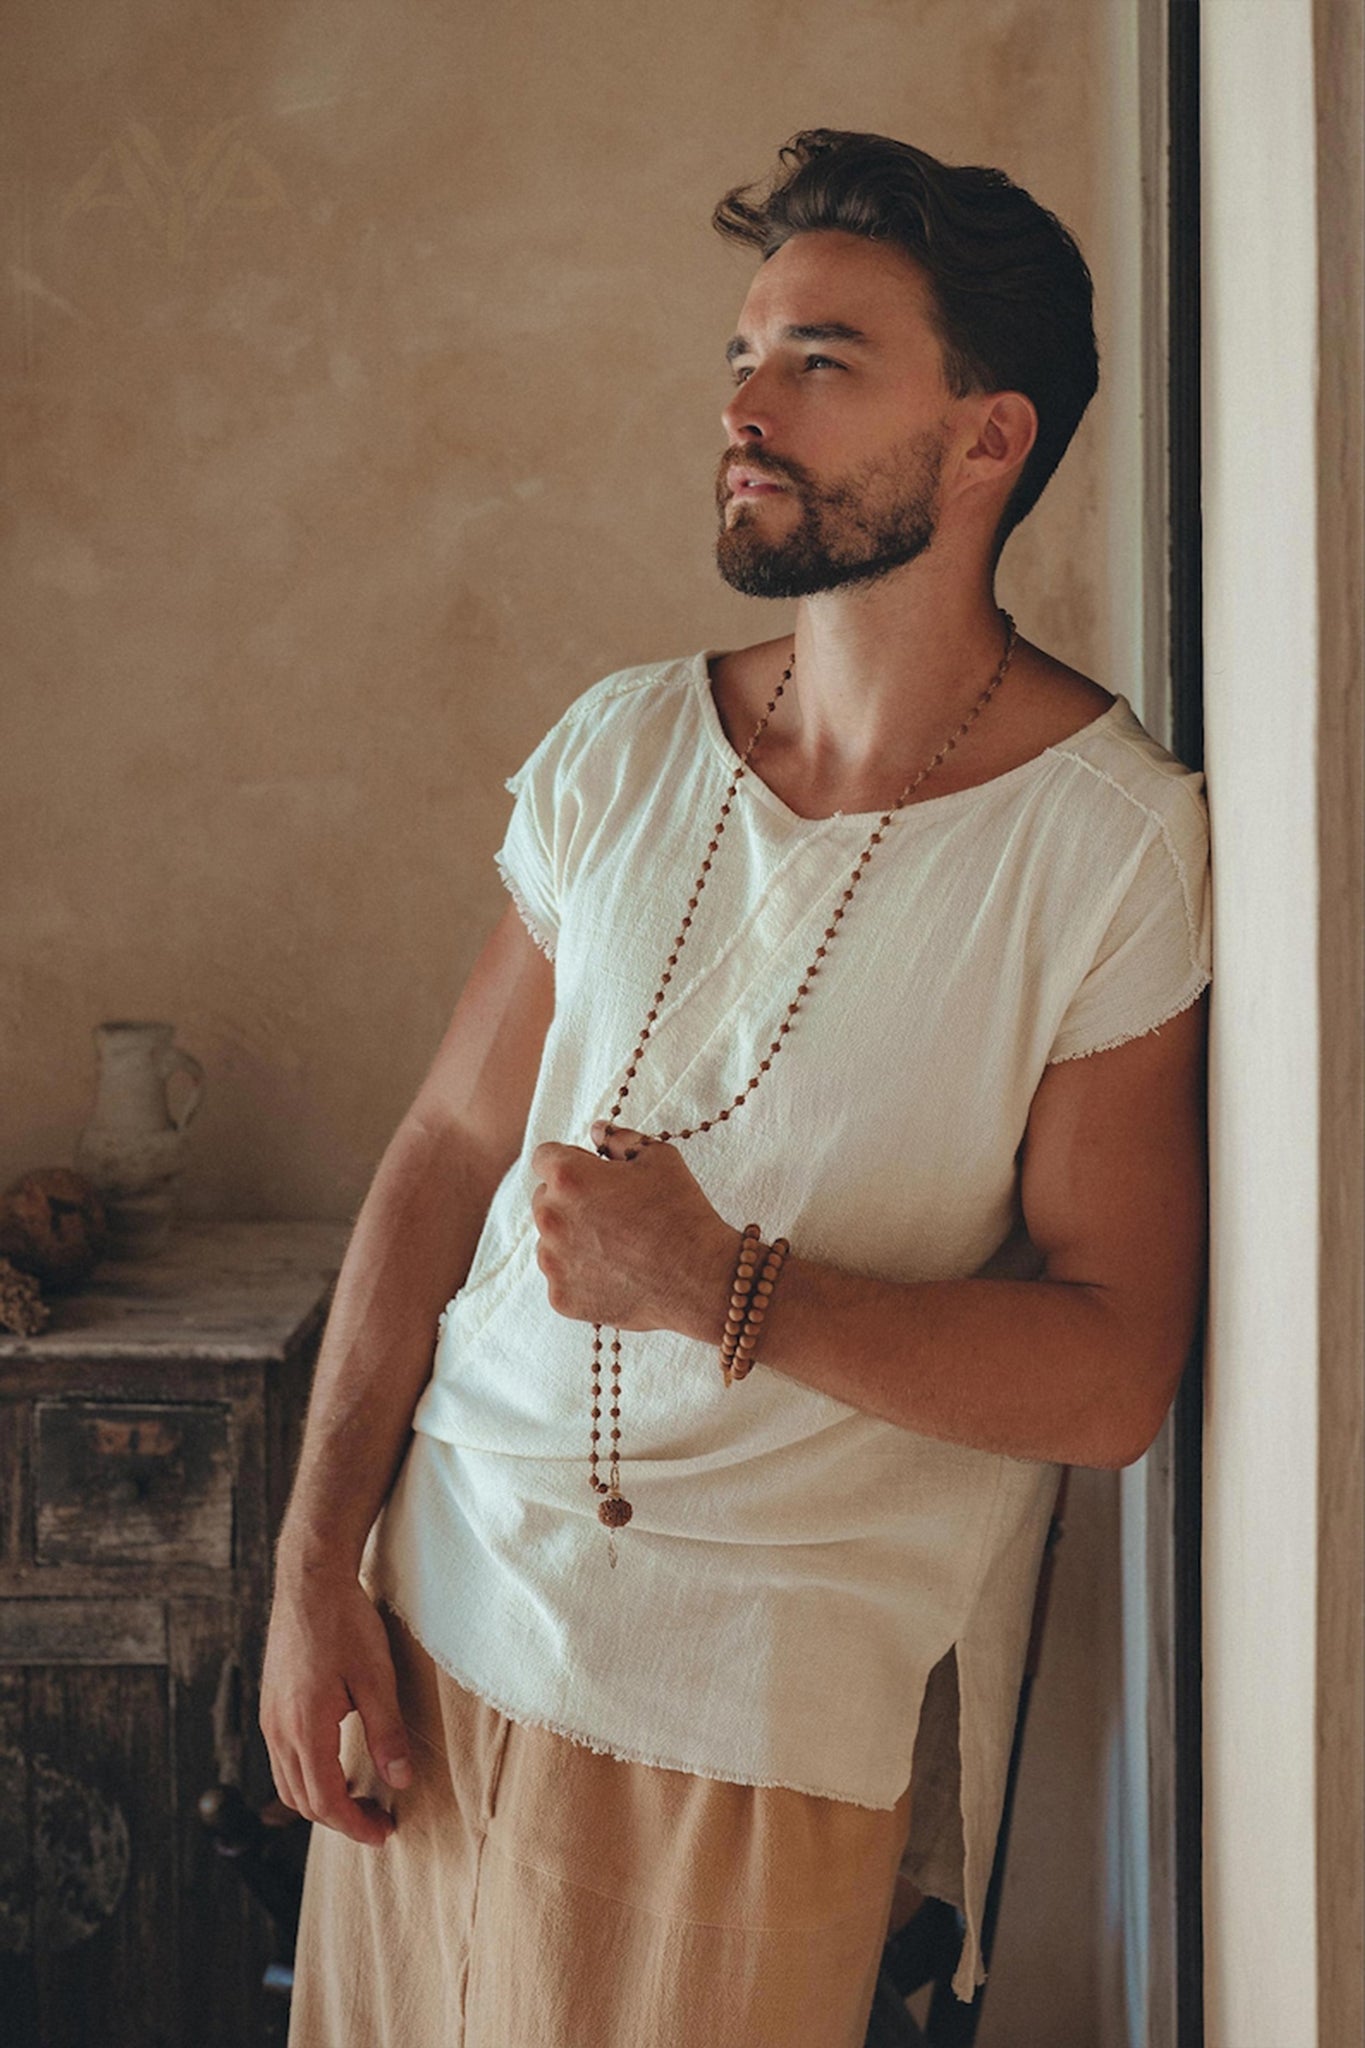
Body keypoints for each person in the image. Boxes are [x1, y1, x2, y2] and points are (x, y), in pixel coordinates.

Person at [263, 130, 1211, 2048]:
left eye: (820, 361)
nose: (743, 404)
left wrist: (717, 1287)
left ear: (984, 438)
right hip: (431, 1632)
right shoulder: (620, 744)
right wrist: (313, 1565)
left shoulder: (1109, 850)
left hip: (742, 1738)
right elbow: (447, 1147)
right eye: (743, 351)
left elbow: (1112, 1375)